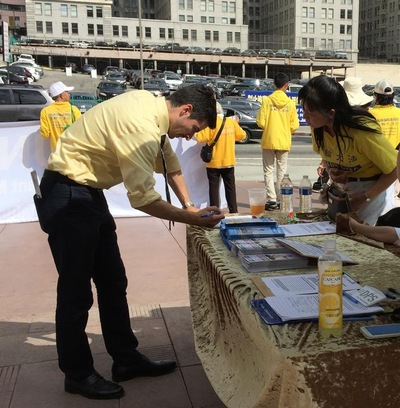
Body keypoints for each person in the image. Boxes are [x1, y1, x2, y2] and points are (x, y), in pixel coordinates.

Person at [33, 84, 224, 400]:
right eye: (194, 129)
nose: (190, 137)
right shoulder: (142, 125)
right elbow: (143, 198)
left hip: (89, 194)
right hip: (68, 195)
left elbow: (169, 164)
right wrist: (193, 219)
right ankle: (77, 373)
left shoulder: (152, 107)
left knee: (112, 281)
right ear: (186, 110)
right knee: (76, 291)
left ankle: (126, 359)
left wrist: (191, 206)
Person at [298, 75, 398, 225]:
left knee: (365, 240)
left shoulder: (362, 130)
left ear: (331, 112)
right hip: (345, 194)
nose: (305, 116)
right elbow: (326, 155)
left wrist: (366, 196)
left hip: (372, 193)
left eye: (310, 112)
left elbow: (394, 169)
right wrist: (333, 170)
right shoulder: (318, 128)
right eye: (303, 109)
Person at [256, 72, 299, 211]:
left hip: (269, 139)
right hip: (284, 140)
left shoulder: (267, 101)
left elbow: (260, 122)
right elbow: (294, 126)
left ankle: (271, 199)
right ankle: (281, 198)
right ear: (287, 85)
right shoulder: (290, 104)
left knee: (268, 170)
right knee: (281, 171)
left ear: (274, 84)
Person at [195, 102, 246, 213]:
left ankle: (214, 211)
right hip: (229, 160)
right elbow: (242, 135)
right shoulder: (231, 122)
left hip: (213, 161)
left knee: (213, 188)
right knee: (230, 187)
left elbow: (199, 137)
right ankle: (233, 211)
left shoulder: (210, 124)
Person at [40, 81, 81, 152]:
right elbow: (81, 130)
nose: (69, 94)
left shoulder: (45, 111)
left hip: (56, 152)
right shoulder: (74, 109)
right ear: (62, 95)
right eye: (67, 92)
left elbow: (45, 134)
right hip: (72, 151)